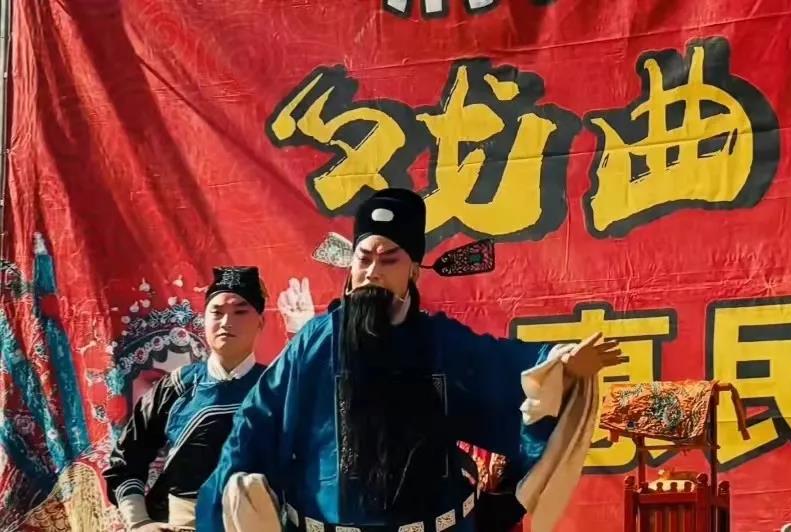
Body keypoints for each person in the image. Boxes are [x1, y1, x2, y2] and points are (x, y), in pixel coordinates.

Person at [196, 188, 622, 532]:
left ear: (414, 269)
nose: (373, 272)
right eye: (364, 259)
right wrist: (223, 501)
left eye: (389, 260)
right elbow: (256, 422)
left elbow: (510, 370)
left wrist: (562, 368)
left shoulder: (439, 341)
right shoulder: (316, 341)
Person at [104, 266, 270, 531]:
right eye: (217, 312)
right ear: (204, 319)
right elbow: (126, 460)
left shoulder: (277, 387)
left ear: (261, 322)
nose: (226, 322)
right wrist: (139, 522)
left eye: (240, 312)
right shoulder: (176, 386)